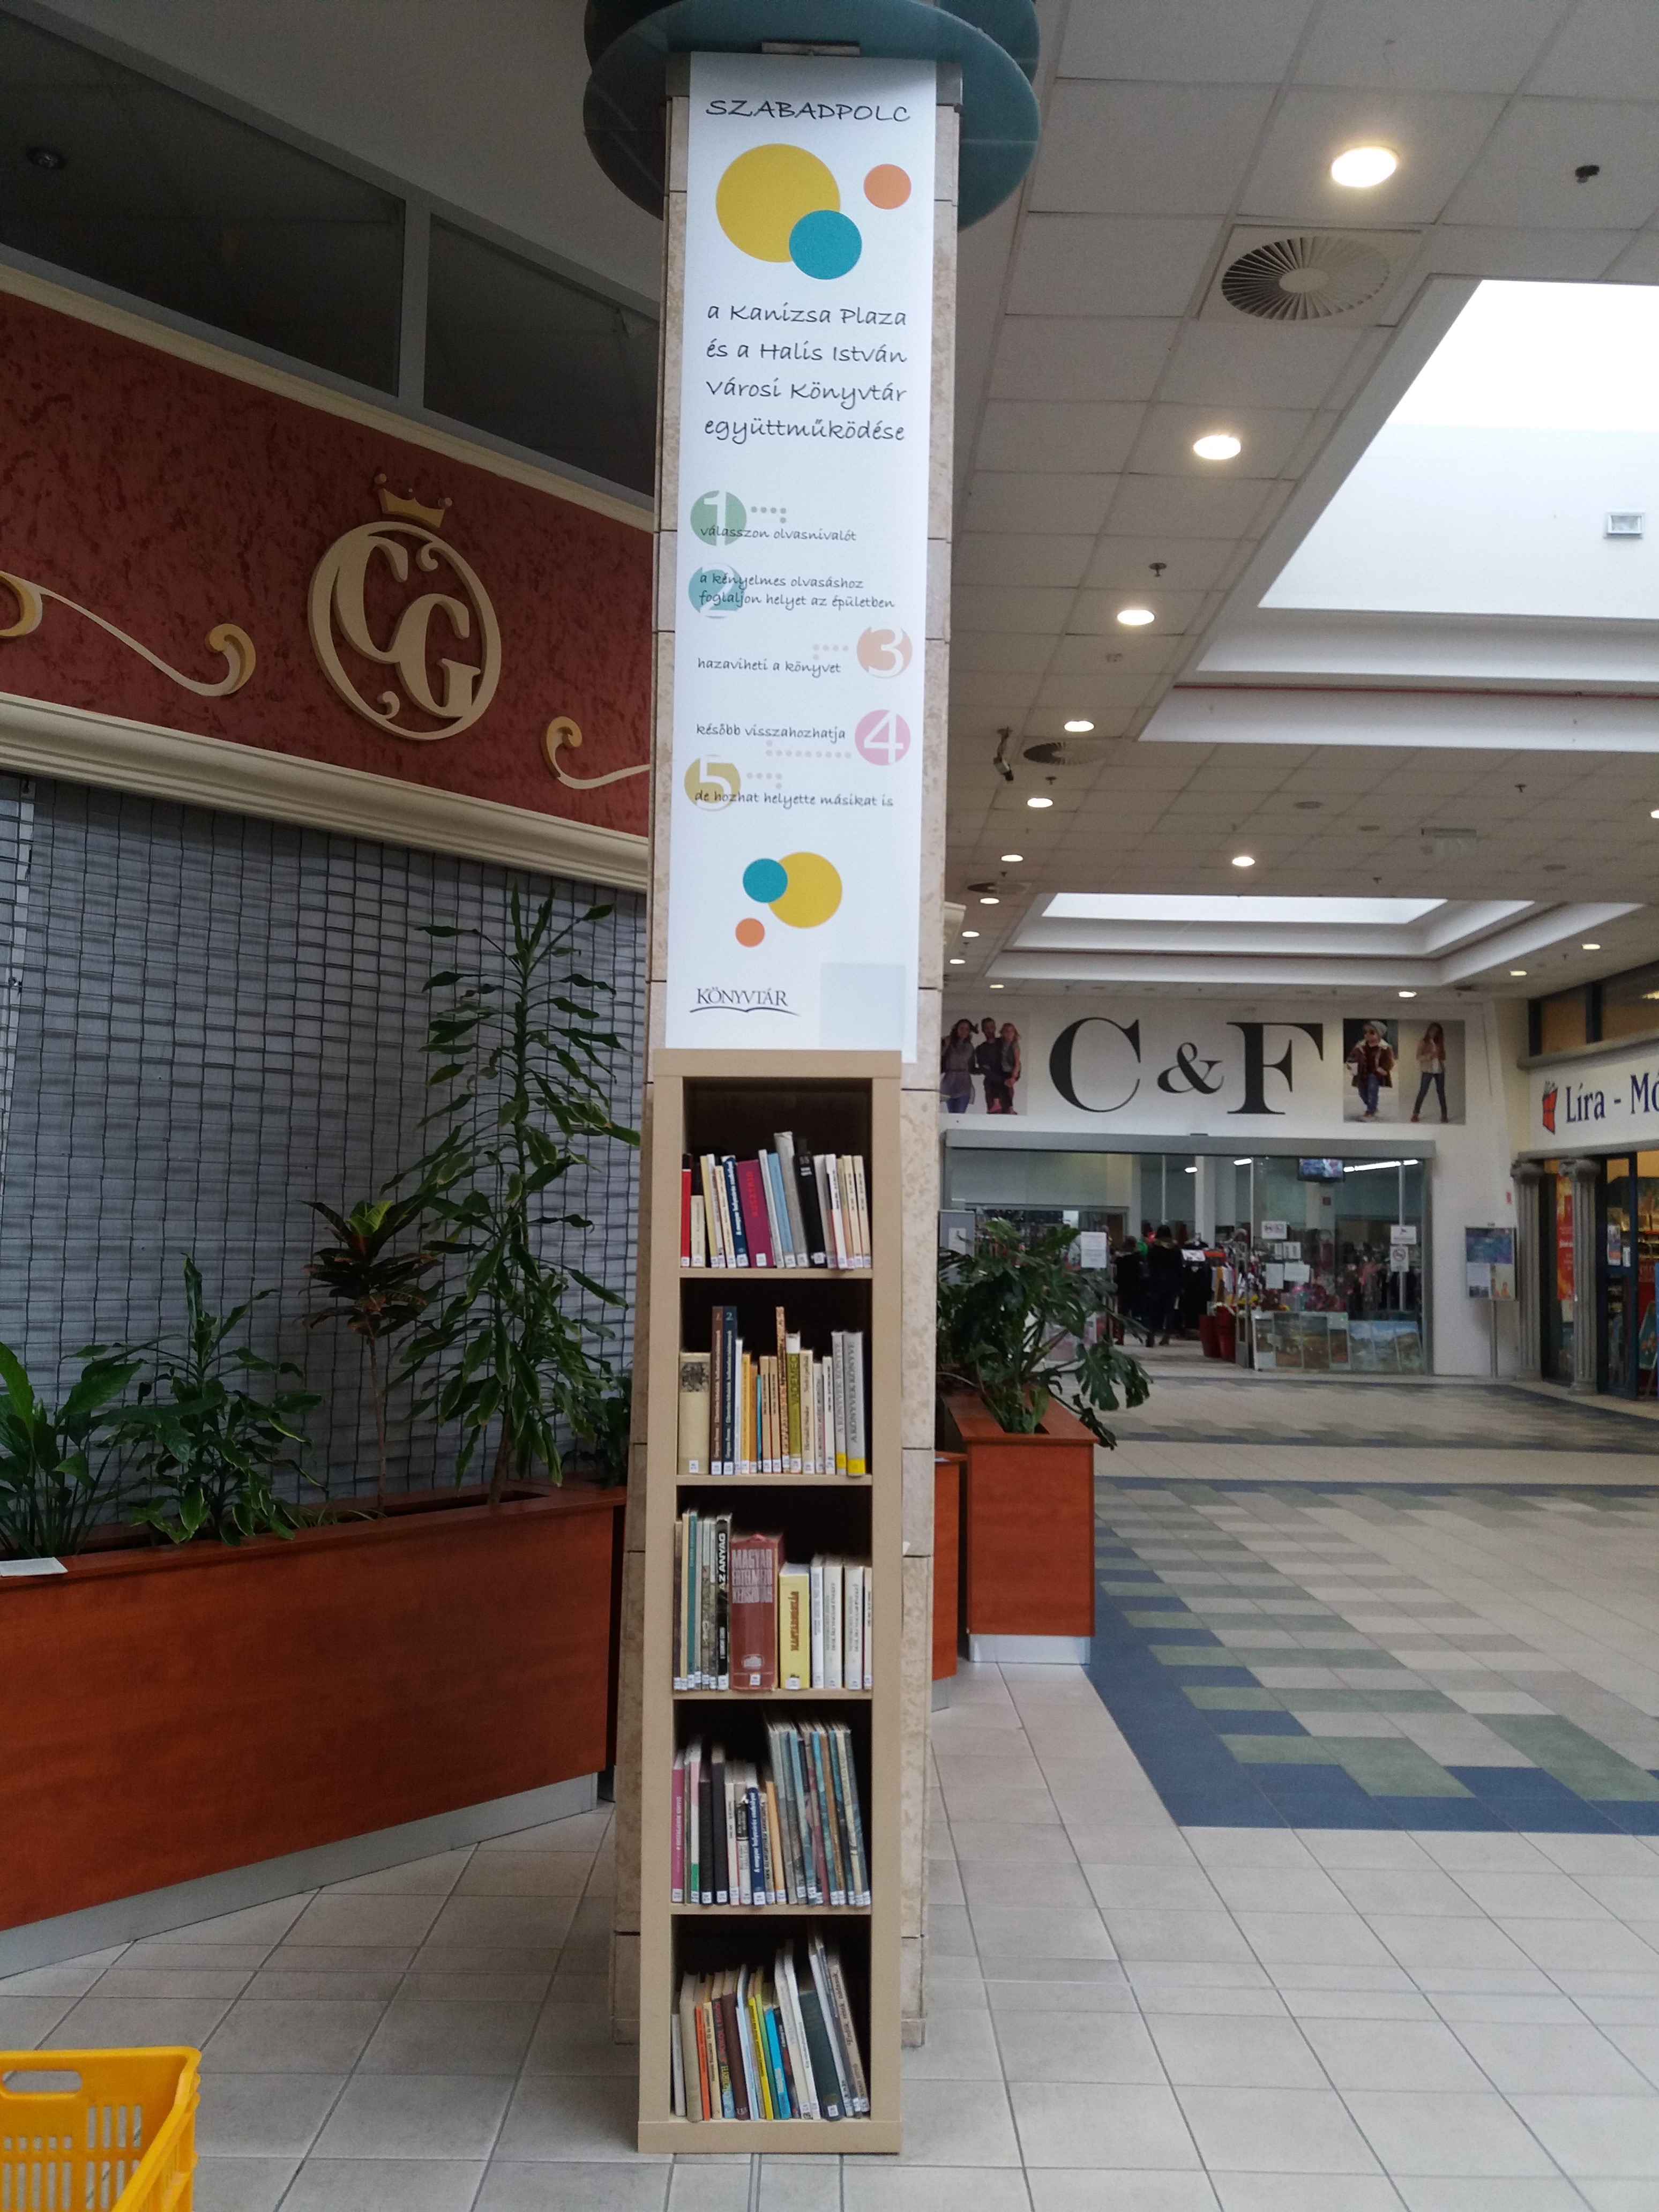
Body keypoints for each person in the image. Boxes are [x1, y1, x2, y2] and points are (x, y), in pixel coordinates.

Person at [1347, 1020, 1395, 1121]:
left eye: (1372, 1033)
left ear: (1379, 1035)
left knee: (1372, 1091)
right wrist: (1352, 1064)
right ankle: (1372, 1106)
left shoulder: (1384, 1048)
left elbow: (1389, 1062)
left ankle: (1371, 1111)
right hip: (1362, 1073)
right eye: (1366, 1033)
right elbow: (1352, 1057)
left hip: (1375, 1074)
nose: (1368, 1035)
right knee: (1362, 1092)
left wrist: (1382, 1069)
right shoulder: (1360, 1047)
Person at [1145, 1223, 1183, 1346]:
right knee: (1170, 1310)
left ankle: (1151, 1334)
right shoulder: (1175, 1248)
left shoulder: (1153, 1247)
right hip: (1173, 1282)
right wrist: (1181, 1284)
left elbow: (1149, 1265)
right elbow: (1180, 1268)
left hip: (1156, 1282)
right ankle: (1167, 1336)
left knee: (1154, 1310)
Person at [1410, 1021, 1448, 1123]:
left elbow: (1444, 1058)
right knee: (1423, 1091)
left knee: (1441, 1092)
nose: (1434, 1033)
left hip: (1439, 1070)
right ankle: (1415, 1114)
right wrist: (1430, 1056)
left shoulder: (1439, 1043)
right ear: (1429, 1030)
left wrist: (1441, 1054)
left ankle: (1444, 1115)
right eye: (1433, 1031)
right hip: (1427, 1070)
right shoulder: (1423, 1042)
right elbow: (1418, 1057)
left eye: (1437, 1032)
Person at [940, 1019, 975, 1113]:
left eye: (967, 1029)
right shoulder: (948, 1043)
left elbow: (972, 1066)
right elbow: (939, 1056)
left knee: (960, 1114)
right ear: (957, 1029)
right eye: (962, 1028)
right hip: (949, 1082)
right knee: (952, 1114)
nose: (964, 1031)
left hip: (964, 1083)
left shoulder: (969, 1046)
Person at [988, 1021, 1022, 1115]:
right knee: (997, 1082)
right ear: (1002, 1033)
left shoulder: (1014, 1045)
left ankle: (1005, 1107)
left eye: (1012, 1032)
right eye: (1007, 1031)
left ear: (1015, 1033)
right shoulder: (1002, 1042)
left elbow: (1017, 1062)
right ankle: (999, 1104)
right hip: (1004, 1070)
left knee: (1005, 1085)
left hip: (1012, 1071)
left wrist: (1014, 1077)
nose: (1009, 1034)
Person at [972, 1017, 1004, 1111]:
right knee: (994, 1115)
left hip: (1006, 1086)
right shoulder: (981, 1049)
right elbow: (985, 1069)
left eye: (991, 1027)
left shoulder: (1003, 1043)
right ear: (983, 1030)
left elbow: (1012, 1062)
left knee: (1008, 1116)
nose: (989, 1030)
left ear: (995, 1028)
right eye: (986, 1028)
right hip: (991, 1086)